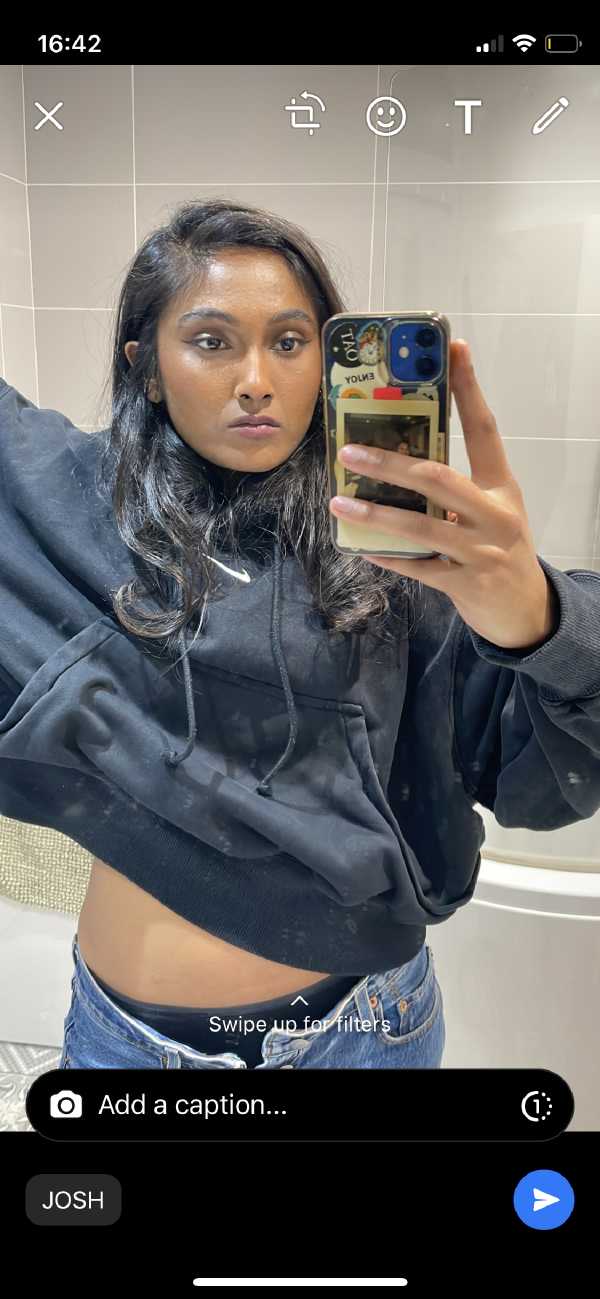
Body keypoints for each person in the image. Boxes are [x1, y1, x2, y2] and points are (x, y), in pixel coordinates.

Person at [1, 199, 599, 1071]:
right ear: (147, 368)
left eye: (289, 341)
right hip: (130, 1049)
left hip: (366, 1032)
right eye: (212, 341)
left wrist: (540, 621)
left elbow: (544, 782)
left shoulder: (398, 550)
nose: (256, 378)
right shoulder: (69, 507)